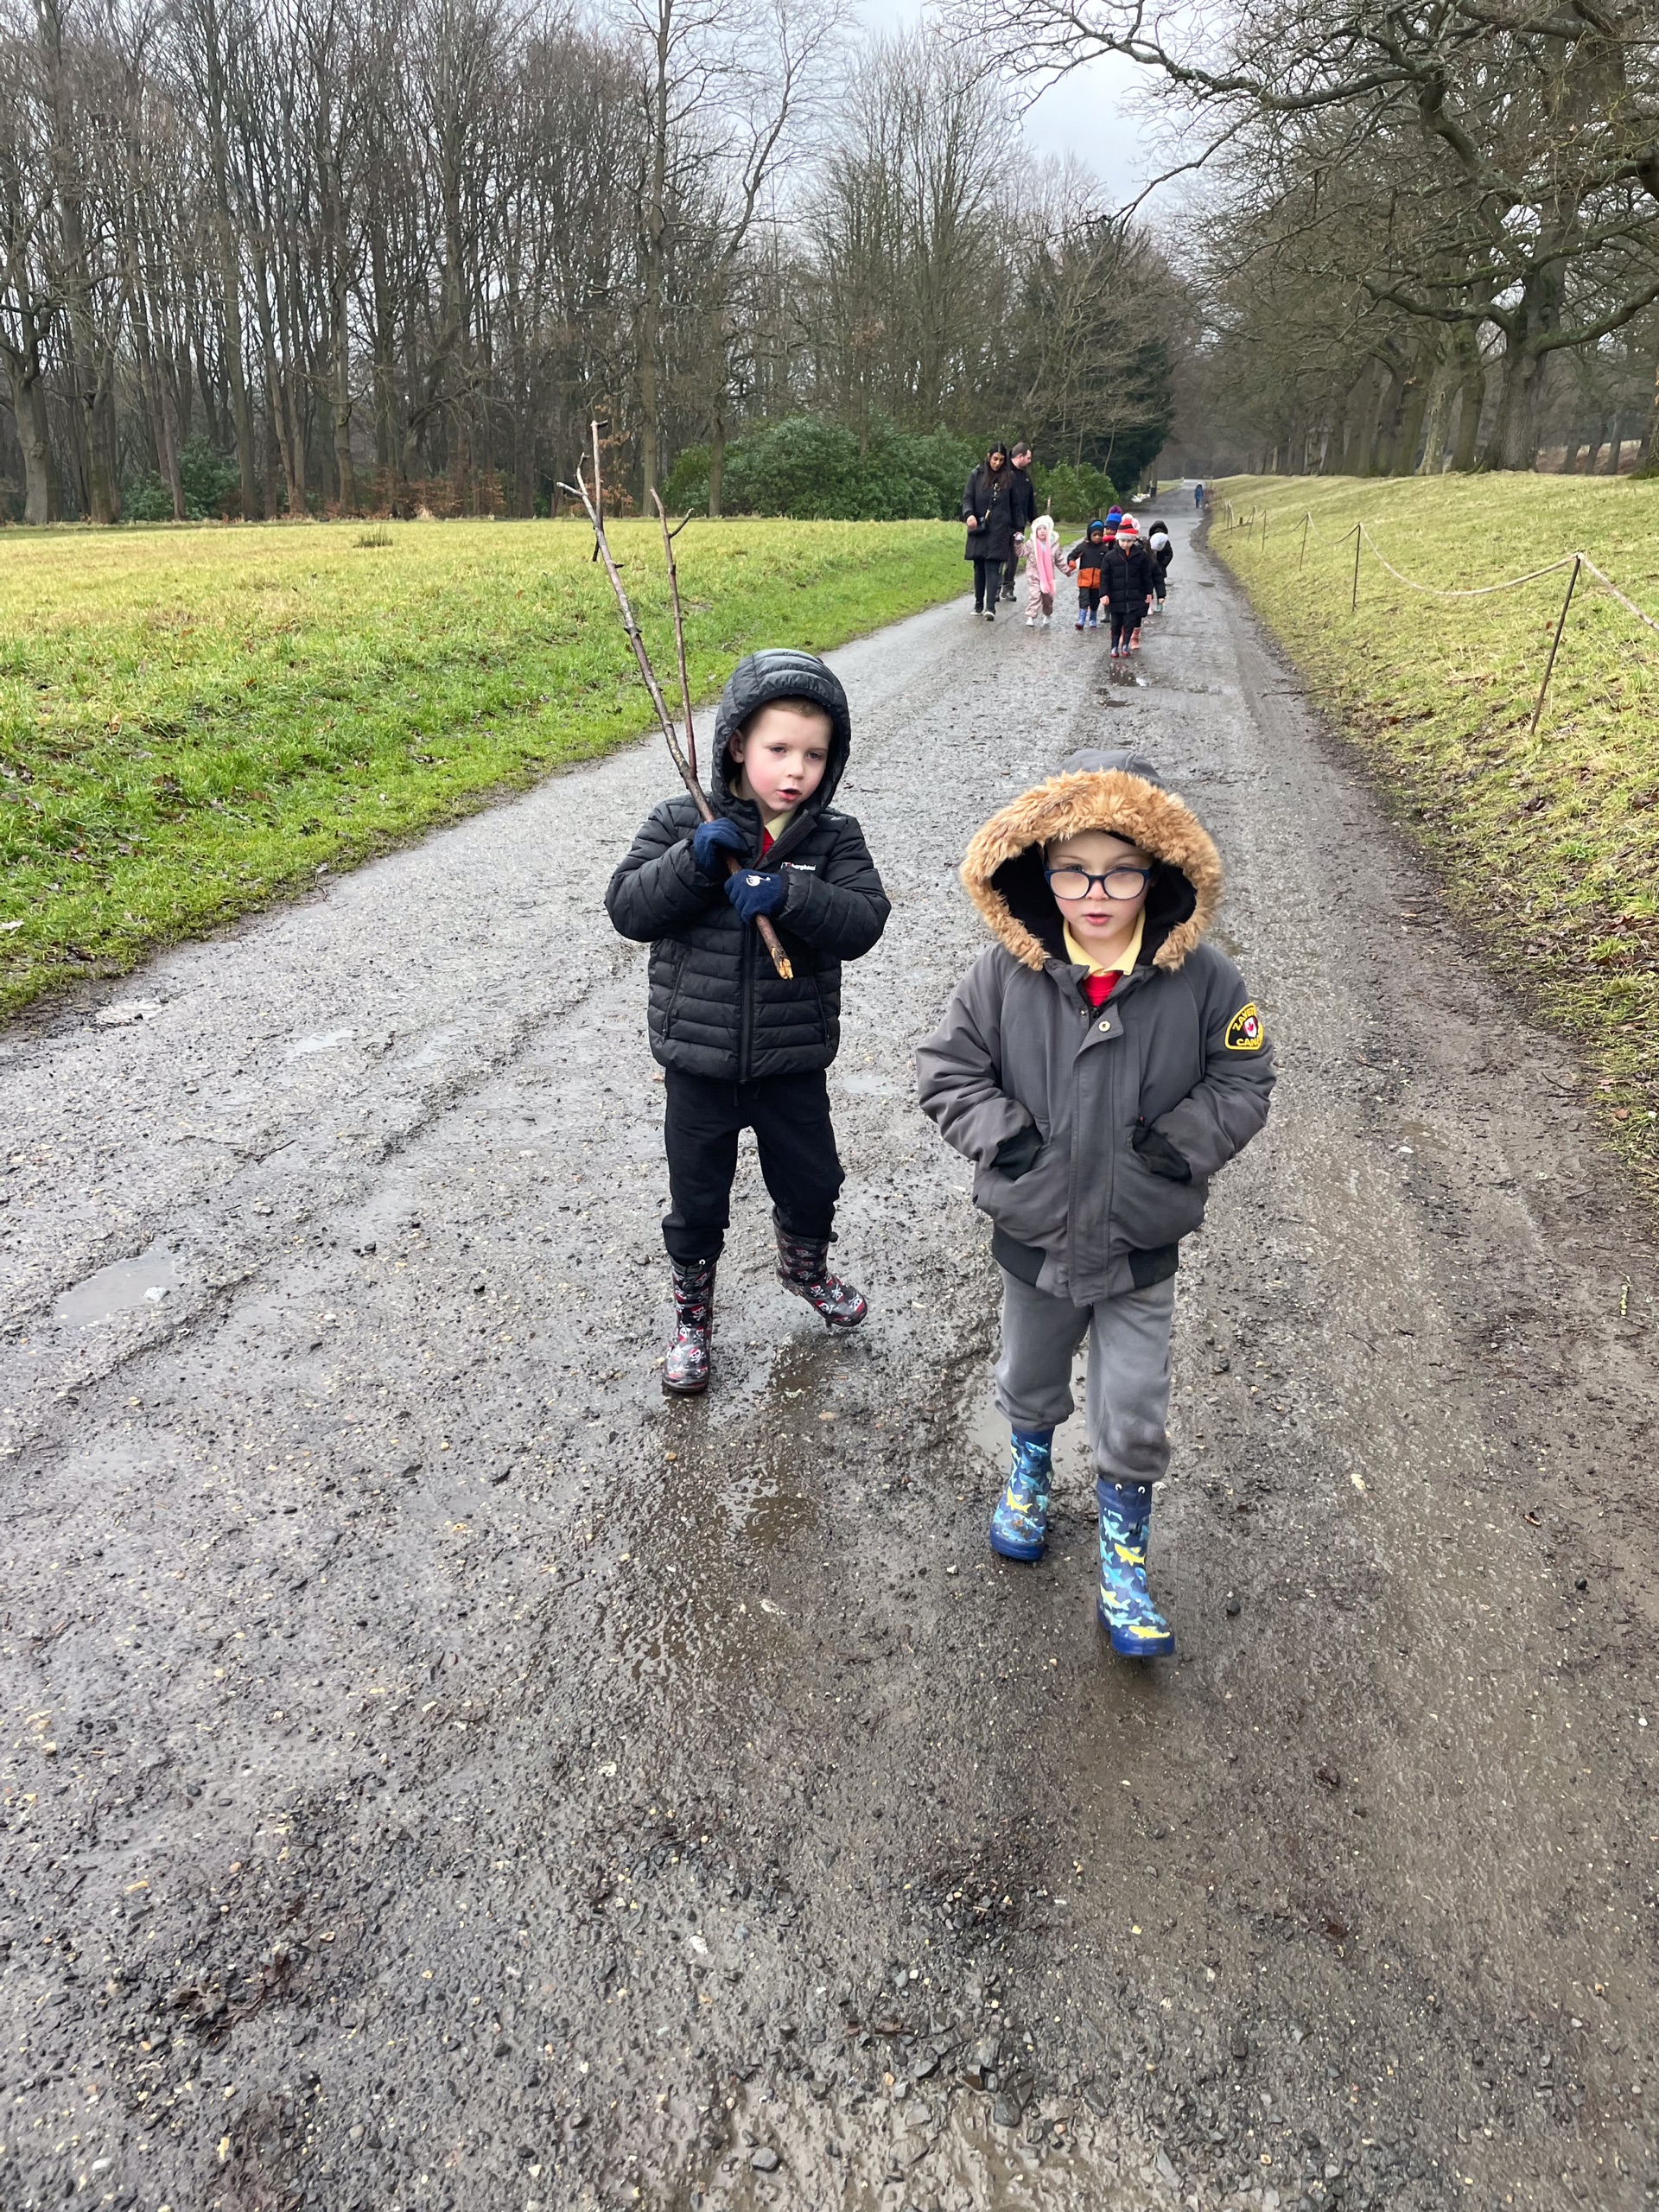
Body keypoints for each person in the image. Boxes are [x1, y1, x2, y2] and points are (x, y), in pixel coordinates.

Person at [916, 747, 1274, 1657]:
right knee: (1030, 1374)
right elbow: (948, 1070)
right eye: (1073, 870)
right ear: (1039, 870)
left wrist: (1174, 1149)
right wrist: (1012, 1145)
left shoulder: (1208, 981)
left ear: (1162, 869)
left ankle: (1124, 1554)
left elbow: (1244, 1076)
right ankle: (1030, 1472)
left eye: (1122, 870)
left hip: (1140, 1238)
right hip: (1035, 1232)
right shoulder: (1002, 976)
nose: (1097, 893)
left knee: (1134, 1403)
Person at [606, 650, 889, 1396]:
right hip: (697, 1062)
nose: (796, 770)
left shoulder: (833, 838)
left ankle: (805, 1269)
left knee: (813, 1182)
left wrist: (789, 894)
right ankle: (692, 1317)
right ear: (737, 744)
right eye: (779, 749)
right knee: (697, 1198)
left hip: (792, 1062)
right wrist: (695, 863)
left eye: (814, 755)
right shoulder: (681, 821)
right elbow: (628, 909)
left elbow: (864, 922)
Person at [962, 443, 1016, 620]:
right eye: (995, 459)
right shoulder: (976, 475)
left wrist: (1017, 530)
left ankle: (990, 607)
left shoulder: (1009, 478)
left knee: (993, 566)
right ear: (988, 456)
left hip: (1000, 529)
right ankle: (978, 602)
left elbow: (1015, 505)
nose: (997, 463)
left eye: (1001, 460)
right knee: (979, 566)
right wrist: (969, 515)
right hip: (980, 527)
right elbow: (968, 498)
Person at [1103, 513, 1158, 658]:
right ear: (1118, 539)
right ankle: (1114, 646)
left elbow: (1146, 576)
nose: (1125, 544)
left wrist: (1148, 592)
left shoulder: (1141, 557)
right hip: (1116, 597)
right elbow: (1104, 577)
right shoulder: (1110, 557)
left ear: (1133, 540)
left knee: (1130, 623)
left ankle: (1126, 645)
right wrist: (1104, 594)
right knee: (1116, 624)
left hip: (1134, 596)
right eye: (1122, 540)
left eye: (1128, 541)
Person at [1005, 442, 1038, 601]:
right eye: (1028, 458)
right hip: (1003, 522)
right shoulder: (1004, 473)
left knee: (1014, 556)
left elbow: (1030, 502)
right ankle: (995, 589)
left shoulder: (1025, 478)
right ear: (1020, 456)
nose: (1030, 461)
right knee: (999, 556)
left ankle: (1008, 587)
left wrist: (1036, 522)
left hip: (1019, 524)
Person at [1063, 518, 1108, 629]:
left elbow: (1110, 560)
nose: (1097, 537)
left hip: (1098, 580)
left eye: (1100, 535)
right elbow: (1072, 555)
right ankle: (1081, 619)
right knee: (1083, 598)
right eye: (1094, 535)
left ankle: (1093, 618)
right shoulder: (1083, 546)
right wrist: (1071, 562)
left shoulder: (1104, 548)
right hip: (1084, 579)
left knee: (1095, 600)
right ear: (1089, 534)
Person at [1024, 512, 1058, 626]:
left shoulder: (1053, 545)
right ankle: (1030, 616)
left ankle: (1047, 614)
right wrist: (1018, 543)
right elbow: (1021, 552)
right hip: (1033, 574)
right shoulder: (1031, 544)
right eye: (1039, 529)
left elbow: (1059, 559)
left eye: (1044, 529)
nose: (1042, 531)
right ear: (1035, 531)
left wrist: (1067, 569)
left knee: (1048, 598)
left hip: (1048, 577)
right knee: (1035, 595)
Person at [1147, 518, 1173, 613]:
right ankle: (1150, 603)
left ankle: (1159, 603)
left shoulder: (1165, 542)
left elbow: (1170, 554)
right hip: (1151, 567)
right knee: (1151, 585)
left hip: (1160, 567)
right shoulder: (1149, 541)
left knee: (1159, 585)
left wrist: (1163, 565)